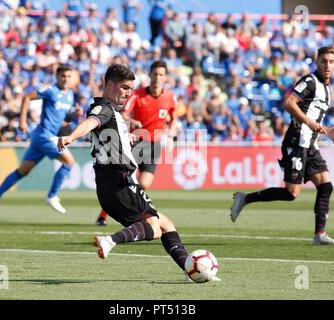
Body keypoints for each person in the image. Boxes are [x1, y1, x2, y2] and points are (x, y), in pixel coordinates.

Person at [58, 64, 216, 281]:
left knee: (166, 224)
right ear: (110, 84)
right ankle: (110, 241)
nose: (127, 93)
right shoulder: (104, 109)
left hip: (112, 184)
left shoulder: (111, 112)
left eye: (130, 89)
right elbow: (91, 122)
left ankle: (190, 271)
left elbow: (103, 132)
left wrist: (127, 138)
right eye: (124, 88)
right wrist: (70, 137)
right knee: (155, 228)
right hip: (120, 182)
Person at [230, 47, 334, 245]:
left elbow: (313, 118)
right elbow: (289, 103)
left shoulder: (326, 89)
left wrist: (328, 130)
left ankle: (319, 235)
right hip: (296, 143)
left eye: (331, 61)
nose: (327, 65)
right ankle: (245, 199)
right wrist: (309, 123)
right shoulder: (310, 81)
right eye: (324, 61)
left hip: (311, 145)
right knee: (292, 193)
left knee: (326, 186)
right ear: (317, 62)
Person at [0, 64, 76, 218]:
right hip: (44, 135)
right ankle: (52, 196)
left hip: (41, 138)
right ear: (57, 77)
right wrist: (22, 120)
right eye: (63, 76)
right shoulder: (50, 91)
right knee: (69, 162)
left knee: (22, 171)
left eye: (68, 76)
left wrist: (74, 115)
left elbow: (62, 119)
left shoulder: (70, 95)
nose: (66, 79)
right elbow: (27, 96)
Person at [95, 60, 177, 226]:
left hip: (153, 145)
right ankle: (106, 214)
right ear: (150, 75)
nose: (157, 78)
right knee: (123, 180)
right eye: (155, 74)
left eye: (161, 75)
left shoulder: (169, 97)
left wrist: (171, 134)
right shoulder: (137, 94)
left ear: (165, 77)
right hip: (134, 141)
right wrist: (132, 121)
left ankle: (133, 212)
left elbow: (173, 118)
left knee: (144, 184)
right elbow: (124, 114)